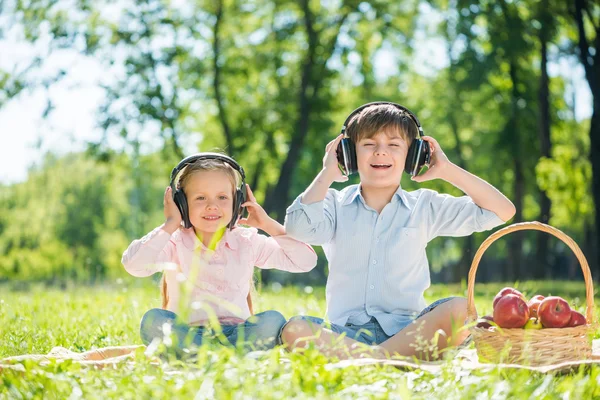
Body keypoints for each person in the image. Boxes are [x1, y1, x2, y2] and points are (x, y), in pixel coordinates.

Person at [281, 102, 516, 360]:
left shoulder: (425, 206)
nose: (381, 152)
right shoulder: (333, 204)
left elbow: (501, 211)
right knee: (294, 329)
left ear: (412, 157)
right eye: (369, 144)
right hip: (346, 334)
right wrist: (327, 172)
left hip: (410, 331)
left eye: (394, 145)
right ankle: (386, 359)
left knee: (461, 309)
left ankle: (368, 359)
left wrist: (447, 171)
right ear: (348, 154)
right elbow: (296, 227)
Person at [122, 153, 317, 353]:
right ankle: (222, 356)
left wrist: (267, 224)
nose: (212, 206)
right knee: (153, 320)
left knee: (273, 320)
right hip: (187, 332)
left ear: (237, 201)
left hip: (237, 333)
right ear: (181, 203)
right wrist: (170, 224)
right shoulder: (174, 241)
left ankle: (200, 356)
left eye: (222, 197)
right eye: (200, 197)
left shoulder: (247, 242)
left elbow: (306, 261)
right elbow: (134, 265)